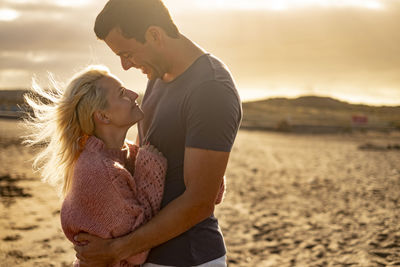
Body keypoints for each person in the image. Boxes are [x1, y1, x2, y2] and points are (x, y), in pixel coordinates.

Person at [74, 0, 242, 266]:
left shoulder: (211, 89)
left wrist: (116, 249)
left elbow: (200, 201)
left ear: (154, 34)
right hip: (145, 253)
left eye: (127, 53)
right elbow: (143, 161)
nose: (125, 66)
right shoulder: (157, 76)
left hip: (189, 257)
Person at [23, 65, 168, 266]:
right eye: (122, 93)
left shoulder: (120, 154)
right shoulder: (100, 171)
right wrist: (152, 170)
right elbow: (137, 252)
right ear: (103, 116)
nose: (134, 94)